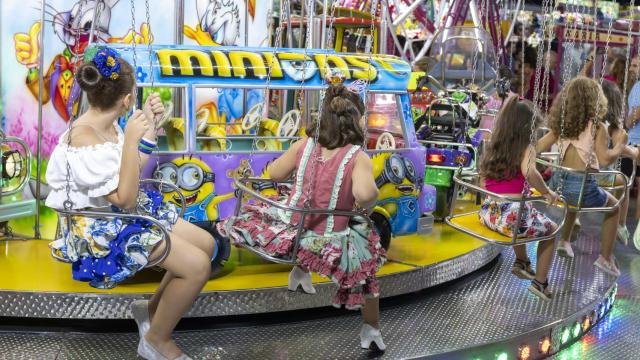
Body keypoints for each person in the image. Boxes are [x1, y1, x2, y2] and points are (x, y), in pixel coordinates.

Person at [45, 47, 213, 360]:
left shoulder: (108, 126)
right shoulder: (83, 140)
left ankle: (148, 312)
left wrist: (148, 125)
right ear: (126, 99)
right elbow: (124, 198)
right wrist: (135, 138)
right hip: (100, 227)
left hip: (123, 211)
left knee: (206, 244)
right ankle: (156, 341)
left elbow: (130, 166)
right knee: (197, 267)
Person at [216, 84, 387, 350]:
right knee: (366, 271)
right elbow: (365, 195)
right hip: (328, 234)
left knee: (301, 233)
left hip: (291, 224)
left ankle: (299, 272)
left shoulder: (304, 145)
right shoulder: (357, 157)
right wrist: (372, 197)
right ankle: (371, 328)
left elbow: (274, 175)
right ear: (355, 121)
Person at [538, 77, 626, 277]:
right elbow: (604, 159)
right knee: (614, 207)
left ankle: (564, 240)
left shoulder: (562, 126)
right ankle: (605, 258)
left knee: (573, 204)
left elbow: (537, 148)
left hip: (558, 185)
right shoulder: (597, 128)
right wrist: (619, 146)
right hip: (582, 187)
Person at [478, 96, 559, 301]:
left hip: (490, 213)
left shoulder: (494, 144)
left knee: (523, 215)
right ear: (527, 128)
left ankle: (522, 261)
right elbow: (530, 172)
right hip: (510, 219)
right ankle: (540, 283)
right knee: (551, 231)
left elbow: (483, 181)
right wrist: (546, 192)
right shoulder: (527, 149)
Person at [599, 80, 640, 245]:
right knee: (623, 181)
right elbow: (619, 150)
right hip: (597, 176)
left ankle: (567, 234)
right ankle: (622, 225)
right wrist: (632, 150)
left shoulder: (587, 123)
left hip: (576, 175)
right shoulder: (610, 128)